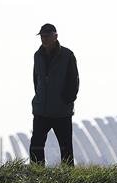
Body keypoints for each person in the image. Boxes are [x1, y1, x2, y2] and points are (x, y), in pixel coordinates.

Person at [30, 23, 79, 167]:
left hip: (61, 112)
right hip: (41, 111)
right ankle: (37, 175)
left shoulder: (67, 55)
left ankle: (68, 178)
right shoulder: (37, 55)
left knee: (66, 148)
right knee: (36, 146)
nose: (44, 39)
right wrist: (40, 98)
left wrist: (65, 101)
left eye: (47, 36)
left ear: (55, 36)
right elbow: (36, 79)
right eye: (42, 36)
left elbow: (74, 82)